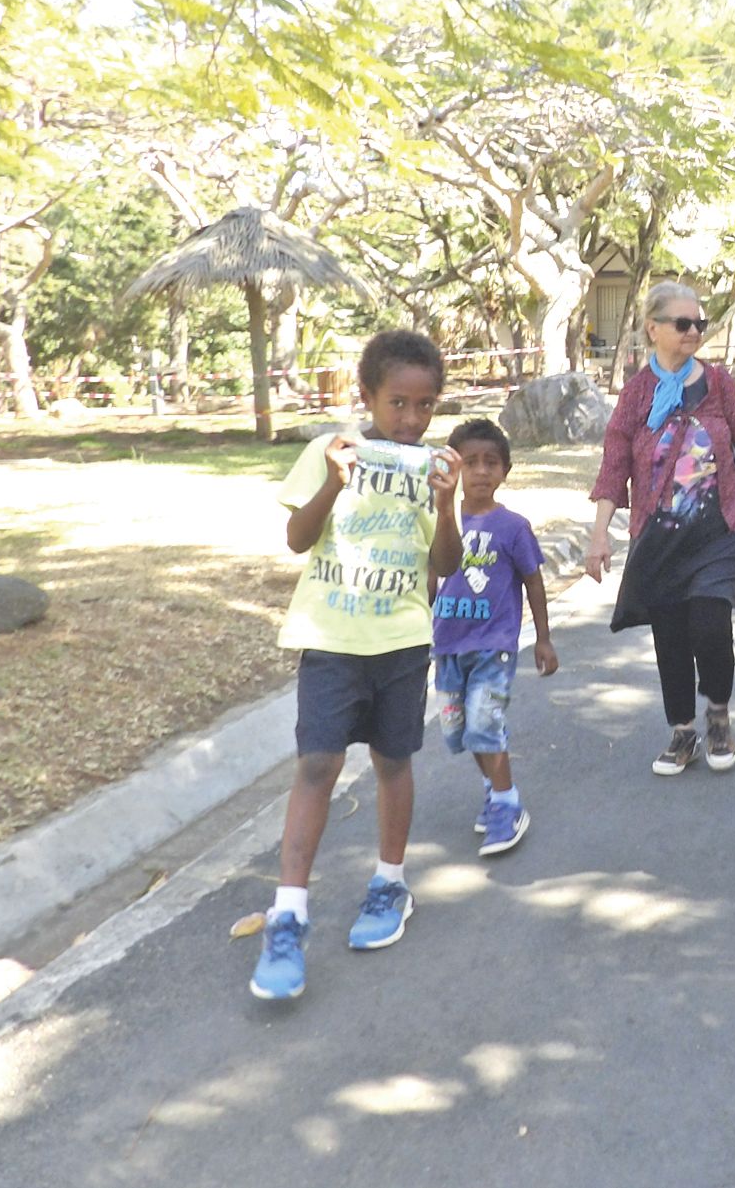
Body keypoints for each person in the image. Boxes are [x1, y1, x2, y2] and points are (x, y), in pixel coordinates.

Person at [253, 330, 462, 1001]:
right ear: (367, 395)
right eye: (398, 401)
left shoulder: (432, 467)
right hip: (332, 636)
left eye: (425, 405)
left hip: (401, 641)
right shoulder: (329, 451)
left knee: (393, 761)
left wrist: (450, 500)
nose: (411, 418)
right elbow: (296, 539)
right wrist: (332, 486)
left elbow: (446, 565)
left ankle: (389, 884)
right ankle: (288, 914)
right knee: (317, 764)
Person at [585, 282, 735, 774]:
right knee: (669, 634)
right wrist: (600, 534)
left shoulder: (719, 384)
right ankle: (682, 731)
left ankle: (718, 714)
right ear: (653, 328)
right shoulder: (637, 392)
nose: (693, 332)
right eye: (682, 323)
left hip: (719, 531)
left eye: (699, 324)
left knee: (710, 625)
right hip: (660, 536)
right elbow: (614, 464)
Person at [431, 417, 559, 858]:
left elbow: (534, 582)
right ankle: (493, 788)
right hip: (447, 645)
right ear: (452, 469)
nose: (481, 471)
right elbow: (429, 581)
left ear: (505, 471)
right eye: (470, 462)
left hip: (493, 645)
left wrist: (542, 638)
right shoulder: (437, 520)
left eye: (491, 463)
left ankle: (507, 804)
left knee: (486, 724)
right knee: (463, 730)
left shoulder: (513, 527)